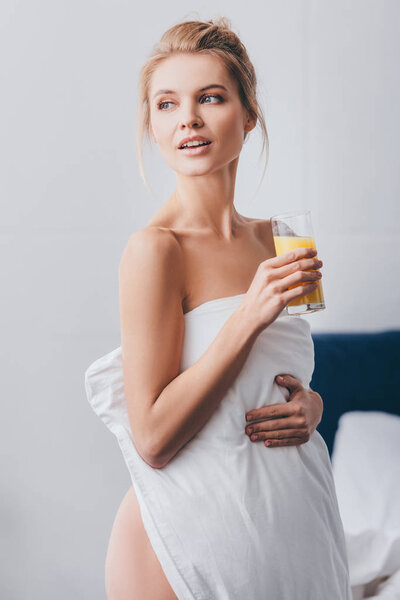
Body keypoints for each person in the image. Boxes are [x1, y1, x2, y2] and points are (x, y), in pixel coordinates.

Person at [104, 16, 352, 600]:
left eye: (209, 97)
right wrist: (248, 313)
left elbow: (274, 377)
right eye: (166, 104)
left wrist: (310, 406)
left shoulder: (283, 238)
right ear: (153, 128)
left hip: (294, 524)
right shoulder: (155, 250)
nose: (187, 117)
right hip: (184, 536)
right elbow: (154, 439)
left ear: (249, 114)